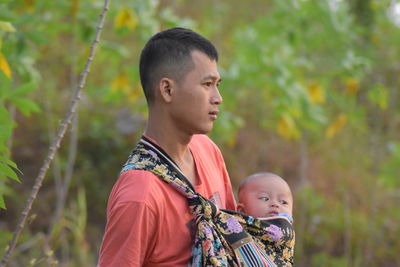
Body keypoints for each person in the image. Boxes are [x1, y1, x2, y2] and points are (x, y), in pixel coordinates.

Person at [98, 27, 236, 266]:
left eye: (217, 84)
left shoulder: (208, 151)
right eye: (207, 84)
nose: (217, 97)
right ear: (167, 90)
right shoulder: (140, 193)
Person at [237, 172, 295, 265]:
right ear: (241, 211)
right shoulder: (229, 227)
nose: (275, 204)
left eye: (283, 202)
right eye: (265, 198)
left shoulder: (286, 236)